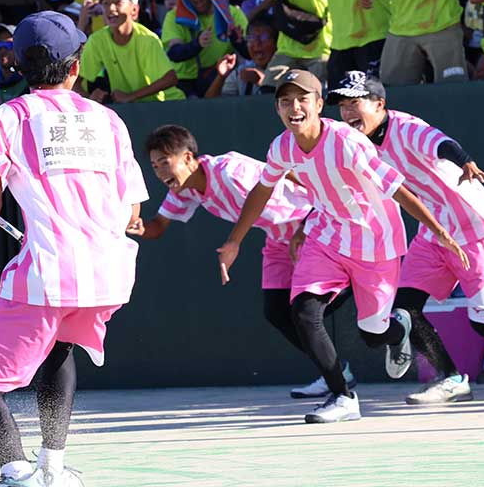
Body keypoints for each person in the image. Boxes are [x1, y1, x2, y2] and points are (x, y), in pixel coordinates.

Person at [0, 10, 148, 487]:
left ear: (17, 66)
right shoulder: (109, 120)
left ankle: (17, 477)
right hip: (110, 275)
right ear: (76, 66)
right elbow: (132, 209)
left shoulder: (5, 117)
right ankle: (53, 470)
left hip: (47, 272)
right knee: (59, 353)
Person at [216, 71, 467, 424]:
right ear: (277, 109)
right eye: (285, 101)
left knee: (374, 333)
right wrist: (234, 240)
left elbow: (396, 188)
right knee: (303, 312)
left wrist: (438, 230)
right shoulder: (282, 147)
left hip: (375, 241)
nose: (294, 107)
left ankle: (399, 329)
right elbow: (263, 189)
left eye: (302, 99)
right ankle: (343, 397)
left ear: (319, 105)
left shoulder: (347, 142)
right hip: (328, 236)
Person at [326, 71, 484, 404]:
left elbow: (441, 143)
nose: (348, 112)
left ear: (379, 104)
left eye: (355, 103)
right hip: (433, 232)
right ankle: (451, 378)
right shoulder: (357, 144)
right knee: (405, 309)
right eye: (343, 106)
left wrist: (466, 162)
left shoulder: (406, 128)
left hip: (474, 228)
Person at [129, 125, 353, 397]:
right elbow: (157, 227)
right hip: (277, 237)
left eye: (165, 162)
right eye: (154, 166)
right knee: (277, 312)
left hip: (310, 228)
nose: (159, 171)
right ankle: (335, 372)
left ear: (187, 158)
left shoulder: (230, 169)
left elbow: (283, 171)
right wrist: (134, 225)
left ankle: (359, 289)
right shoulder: (183, 191)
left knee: (304, 314)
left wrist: (310, 218)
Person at [78, 0, 183, 103]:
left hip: (167, 104)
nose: (111, 8)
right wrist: (90, 100)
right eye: (106, 3)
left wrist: (130, 96)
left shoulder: (147, 39)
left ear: (134, 10)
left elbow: (170, 79)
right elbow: (75, 81)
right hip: (130, 107)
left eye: (118, 2)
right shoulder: (97, 40)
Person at [160, 0, 247, 98]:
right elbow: (174, 53)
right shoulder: (174, 16)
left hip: (219, 77)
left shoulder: (231, 14)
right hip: (183, 81)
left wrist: (238, 41)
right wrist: (197, 44)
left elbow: (249, 53)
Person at [213, 18, 276, 98]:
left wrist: (263, 82)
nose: (257, 43)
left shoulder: (286, 71)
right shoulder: (240, 73)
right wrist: (221, 77)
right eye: (251, 38)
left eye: (264, 37)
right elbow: (209, 104)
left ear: (276, 42)